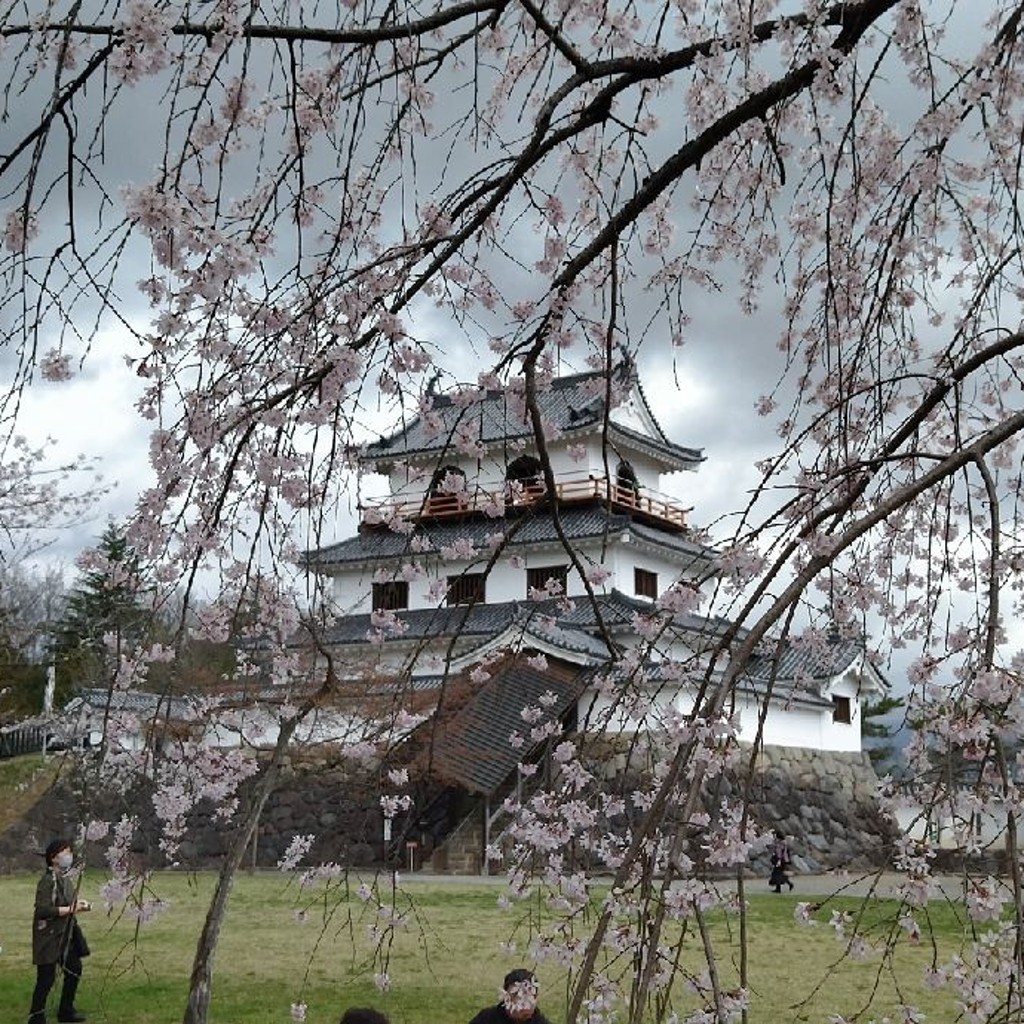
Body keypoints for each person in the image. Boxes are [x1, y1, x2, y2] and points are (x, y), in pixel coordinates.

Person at [27, 838, 91, 1024]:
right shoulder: (47, 881)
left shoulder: (65, 879)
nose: (68, 855)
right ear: (53, 857)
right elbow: (42, 910)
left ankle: (66, 1010)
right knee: (46, 978)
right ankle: (36, 1016)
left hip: (66, 935)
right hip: (50, 937)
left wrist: (80, 905)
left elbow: (68, 903)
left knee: (74, 969)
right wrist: (70, 910)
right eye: (65, 852)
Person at [469, 968, 552, 1024]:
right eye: (515, 995)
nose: (520, 1001)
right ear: (505, 996)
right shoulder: (486, 1019)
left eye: (527, 996)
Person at [768, 829, 794, 893]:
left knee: (777, 874)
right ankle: (786, 885)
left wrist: (778, 860)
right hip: (784, 860)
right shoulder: (783, 842)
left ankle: (780, 888)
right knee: (780, 873)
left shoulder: (780, 843)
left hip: (780, 860)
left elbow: (779, 852)